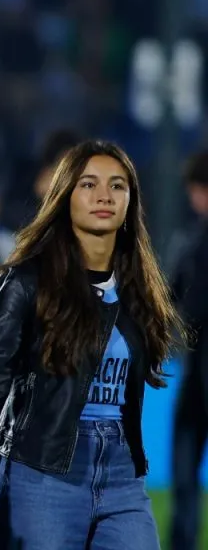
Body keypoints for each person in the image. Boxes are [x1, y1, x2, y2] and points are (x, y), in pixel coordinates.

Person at [0, 140, 186, 549]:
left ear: (131, 201)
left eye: (117, 185)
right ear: (63, 195)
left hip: (123, 472)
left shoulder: (139, 287)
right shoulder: (25, 282)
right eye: (88, 184)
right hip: (40, 471)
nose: (104, 195)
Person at [168, 150, 208, 550]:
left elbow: (183, 299)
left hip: (200, 368)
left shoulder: (197, 242)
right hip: (198, 369)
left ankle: (183, 540)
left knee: (185, 460)